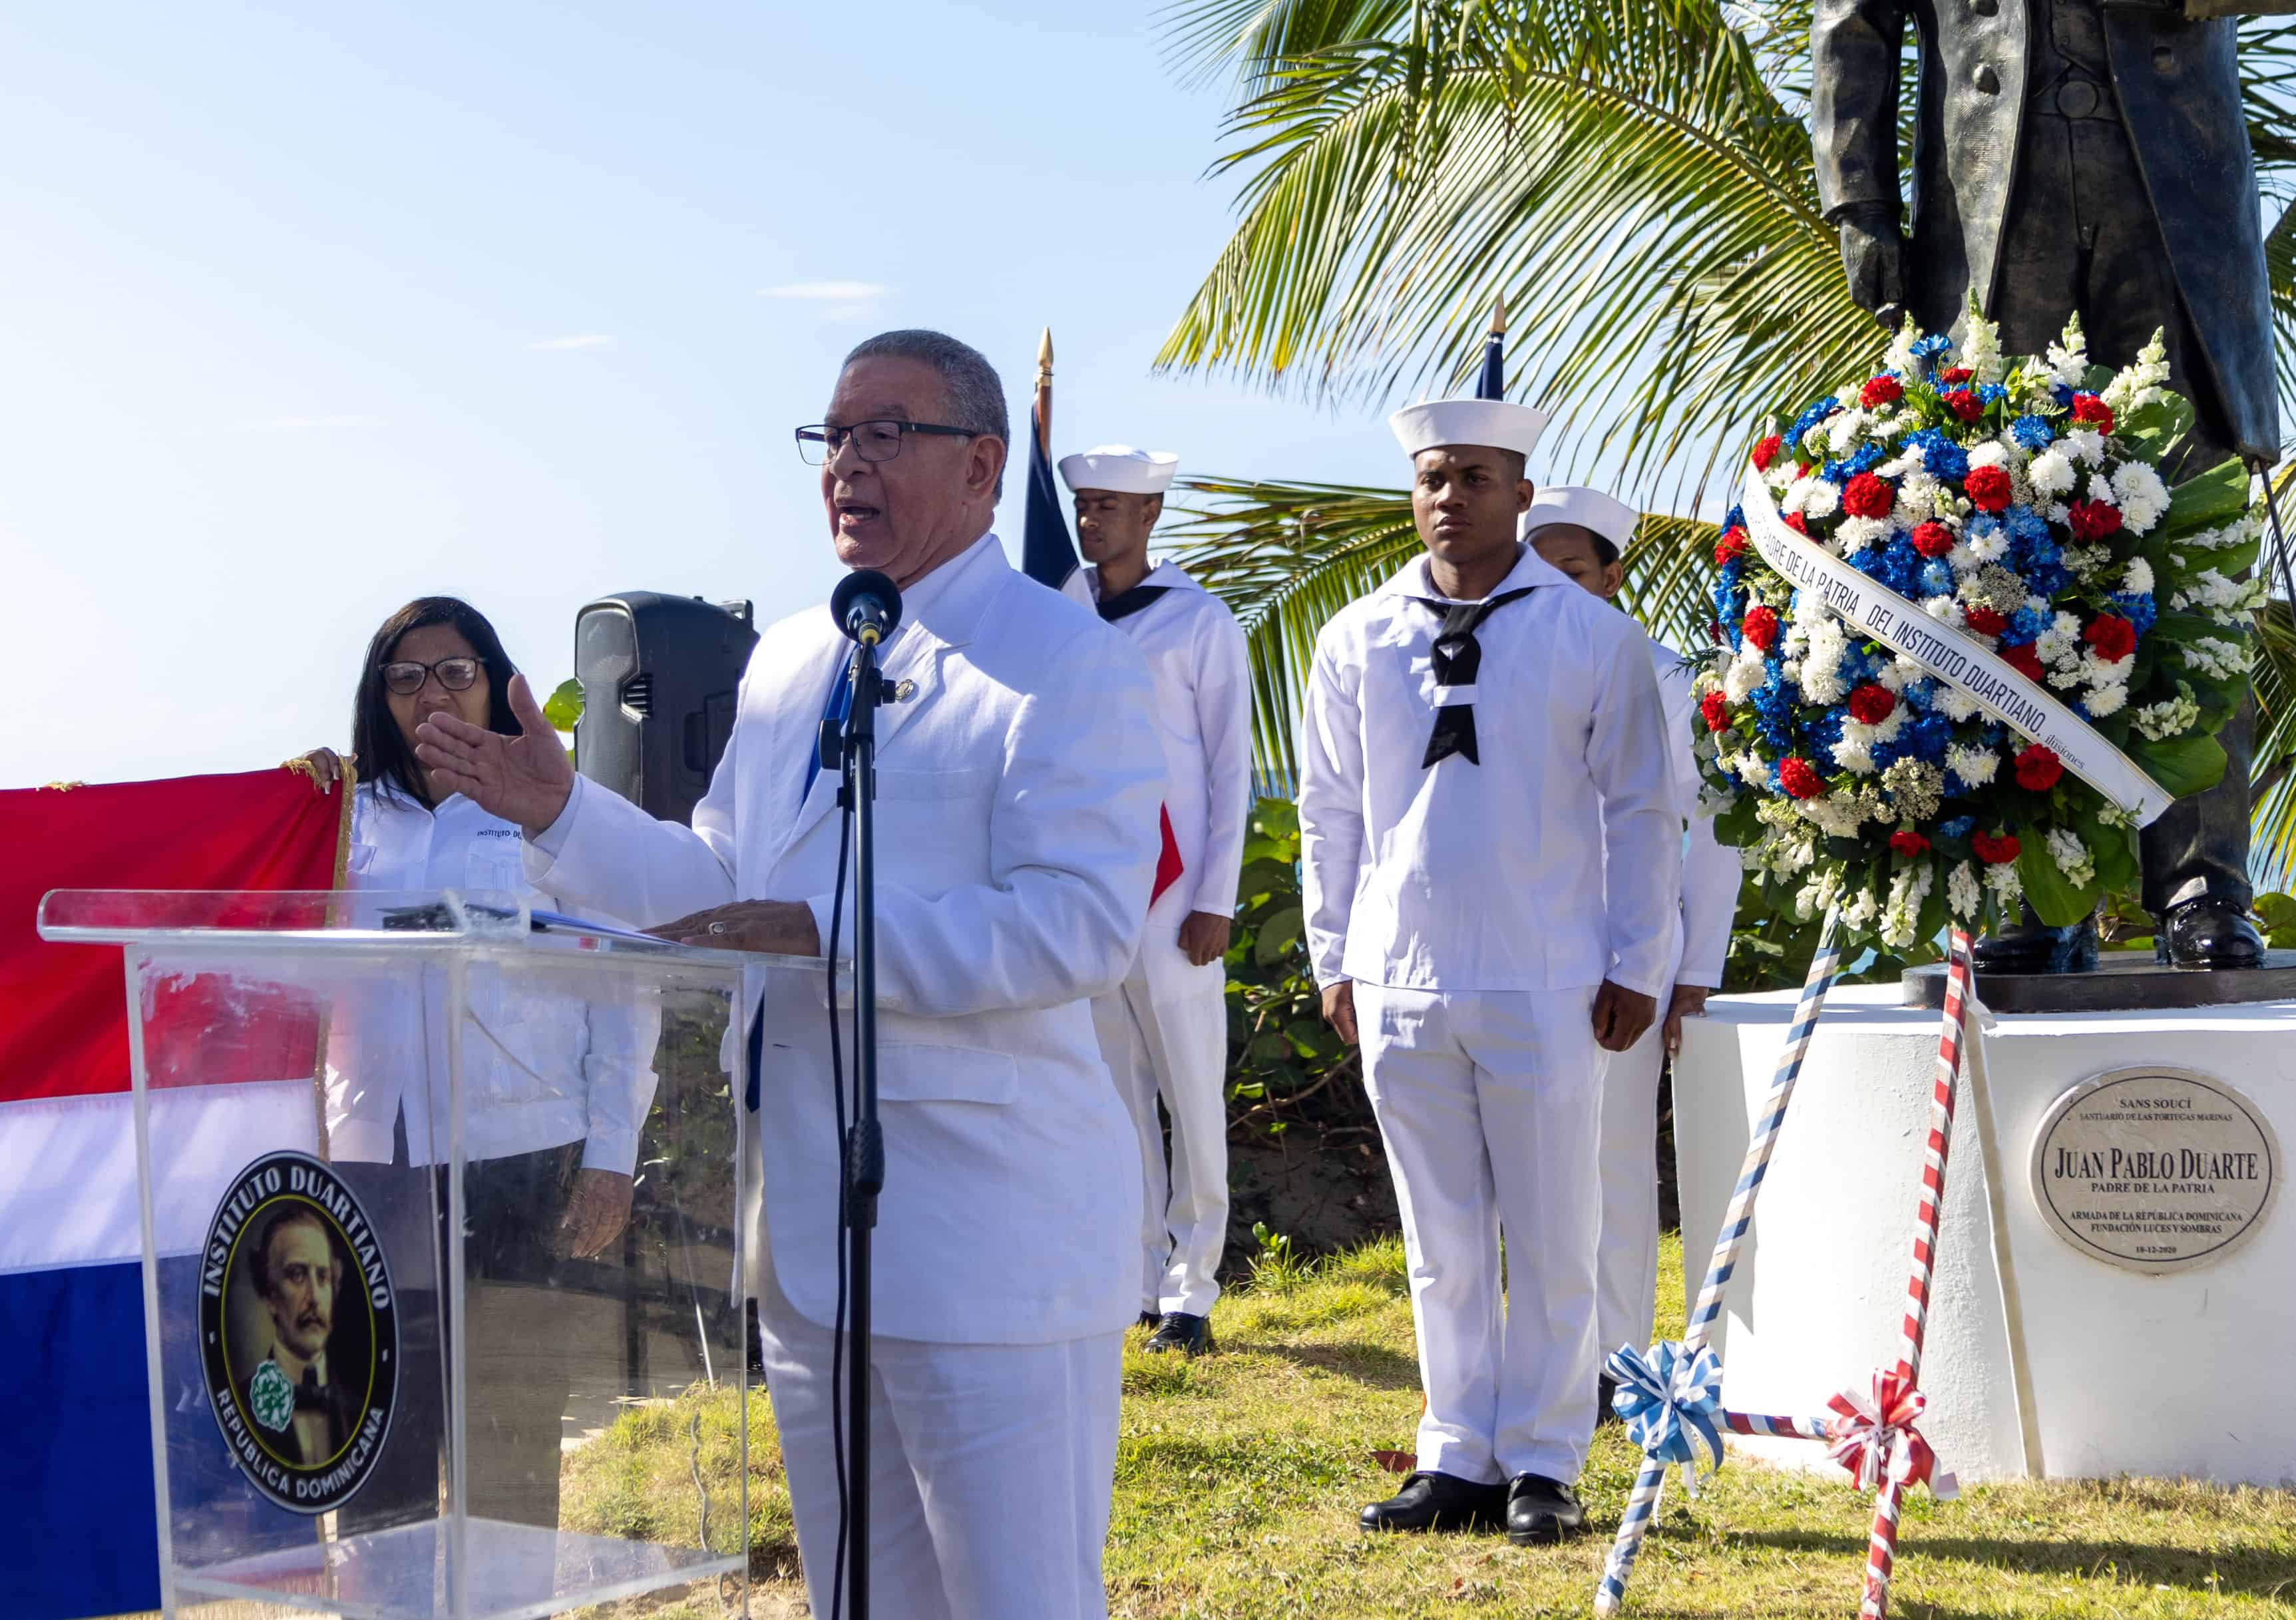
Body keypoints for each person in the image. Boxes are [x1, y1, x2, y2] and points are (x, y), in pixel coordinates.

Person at [410, 329, 1165, 1619]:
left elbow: (1078, 925)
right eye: (833, 436)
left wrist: (824, 932)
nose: (848, 465)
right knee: (859, 1596)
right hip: (810, 1238)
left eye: (887, 432)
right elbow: (725, 890)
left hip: (989, 1239)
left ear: (983, 464)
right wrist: (564, 815)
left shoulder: (1063, 659)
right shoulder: (796, 657)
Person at [1812, 0, 2271, 968]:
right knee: (1992, 544)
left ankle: (2203, 878)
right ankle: (2028, 885)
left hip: (2173, 184)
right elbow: (1851, 14)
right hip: (1988, 197)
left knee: (2192, 548)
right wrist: (1855, 195)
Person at [1298, 396, 1680, 1545]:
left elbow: (1643, 811)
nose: (1448, 495)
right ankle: (1457, 1448)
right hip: (1403, 974)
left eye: (1473, 475)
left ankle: (1548, 1458)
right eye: (1431, 476)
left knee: (1555, 1224)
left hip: (1546, 973)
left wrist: (1637, 962)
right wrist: (1337, 953)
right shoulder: (1356, 635)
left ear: (1522, 490)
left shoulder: (1593, 637)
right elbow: (1329, 810)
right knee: (1442, 1235)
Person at [301, 594, 660, 1528]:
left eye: (456, 673)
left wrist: (612, 1155)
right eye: (406, 677)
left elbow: (623, 989)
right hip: (371, 1162)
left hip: (519, 1157)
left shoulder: (551, 813)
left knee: (509, 1438)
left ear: (496, 686)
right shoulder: (340, 822)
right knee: (374, 1435)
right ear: (378, 697)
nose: (432, 696)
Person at [1523, 487, 1742, 1401]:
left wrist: (1692, 972)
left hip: (1628, 955)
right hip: (1525, 952)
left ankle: (1617, 1362)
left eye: (1571, 571)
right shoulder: (1505, 666)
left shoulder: (1660, 674)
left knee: (1611, 1160)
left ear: (1613, 576)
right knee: (1534, 1167)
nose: (1552, 589)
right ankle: (1544, 1360)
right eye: (1536, 570)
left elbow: (1711, 829)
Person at [1057, 443, 1252, 1357]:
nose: (1092, 520)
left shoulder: (1197, 621)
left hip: (1176, 897)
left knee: (1189, 1092)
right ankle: (1135, 1279)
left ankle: (1194, 1286)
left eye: (1110, 506)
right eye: (1084, 504)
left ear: (1149, 516)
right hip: (1094, 885)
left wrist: (1217, 895)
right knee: (1113, 1095)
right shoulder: (1060, 611)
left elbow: (1228, 768)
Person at [241, 1207, 357, 1466]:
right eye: (297, 1275)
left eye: (323, 1277)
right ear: (270, 1296)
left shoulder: (357, 1411)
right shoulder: (242, 1409)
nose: (314, 1297)